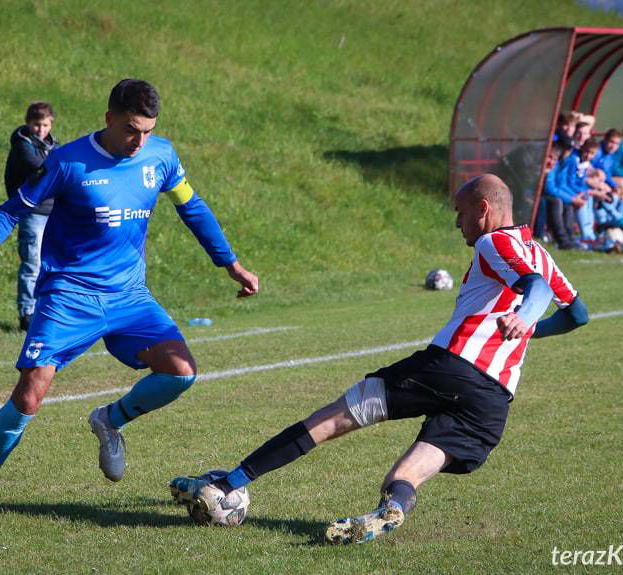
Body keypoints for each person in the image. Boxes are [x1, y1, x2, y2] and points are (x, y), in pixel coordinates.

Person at [170, 174, 588, 545]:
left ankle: (229, 483)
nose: (457, 223)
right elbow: (577, 315)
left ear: (484, 208)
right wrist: (525, 328)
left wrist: (526, 316)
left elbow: (537, 290)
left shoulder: (493, 241)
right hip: (493, 402)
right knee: (402, 479)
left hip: (450, 368)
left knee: (333, 418)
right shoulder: (543, 253)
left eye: (461, 213)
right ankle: (391, 511)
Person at [0, 78, 259, 512]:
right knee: (31, 391)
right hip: (69, 294)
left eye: (149, 130)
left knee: (182, 372)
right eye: (132, 128)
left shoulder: (161, 156)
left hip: (129, 296)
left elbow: (193, 209)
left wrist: (231, 264)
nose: (140, 140)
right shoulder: (68, 161)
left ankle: (109, 420)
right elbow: (12, 209)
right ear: (109, 118)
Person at [4, 101, 60, 330]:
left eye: (45, 125)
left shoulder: (53, 146)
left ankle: (47, 308)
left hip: (54, 211)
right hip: (33, 211)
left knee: (53, 263)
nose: (41, 130)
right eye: (37, 125)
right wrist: (59, 167)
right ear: (28, 124)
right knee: (32, 262)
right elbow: (38, 166)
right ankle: (27, 312)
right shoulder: (22, 145)